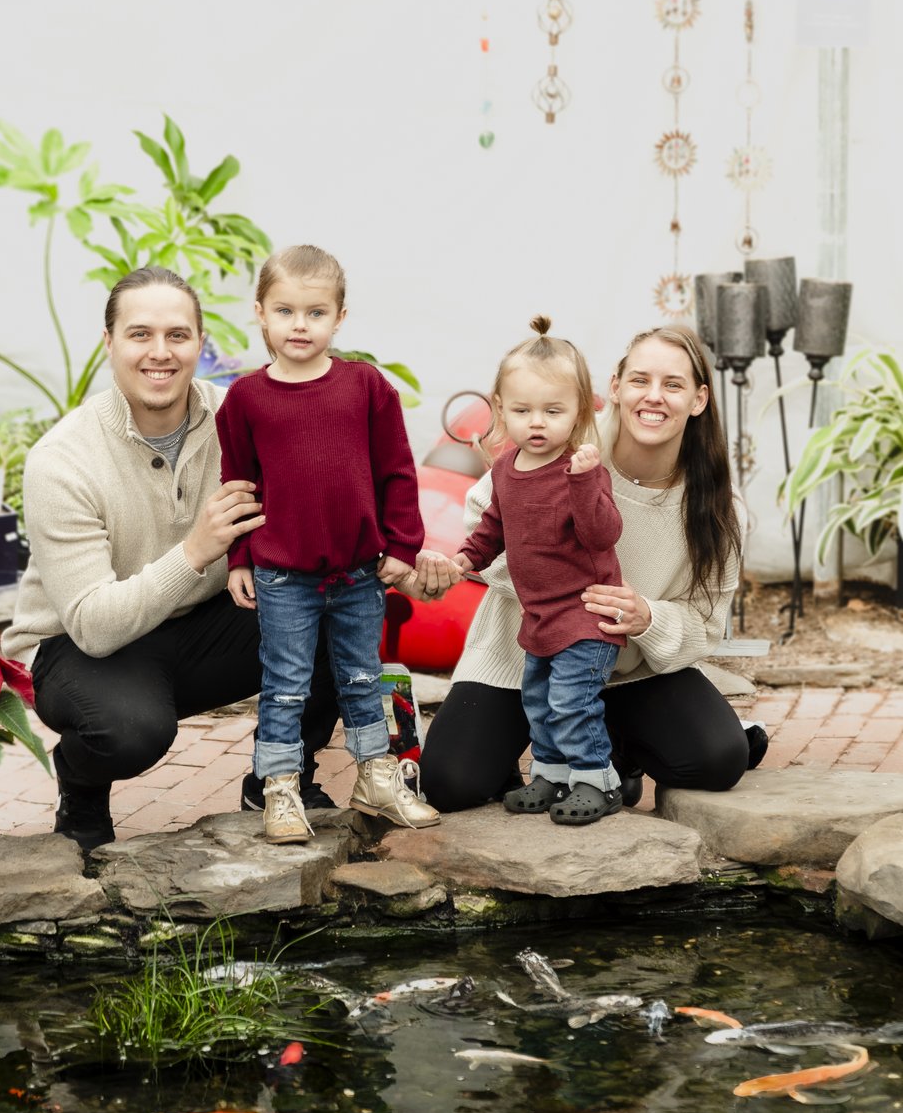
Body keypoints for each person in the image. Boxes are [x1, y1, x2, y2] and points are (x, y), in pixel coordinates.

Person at [2, 265, 343, 851]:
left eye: (178, 335)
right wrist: (195, 551)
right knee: (130, 732)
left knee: (342, 607)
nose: (159, 353)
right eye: (140, 334)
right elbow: (94, 624)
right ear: (109, 343)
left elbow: (315, 517)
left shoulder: (243, 417)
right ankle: (80, 782)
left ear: (199, 343)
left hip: (204, 625)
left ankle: (278, 778)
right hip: (79, 646)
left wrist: (398, 553)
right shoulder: (62, 460)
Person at [421, 323, 767, 812]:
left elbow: (705, 625)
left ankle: (611, 755)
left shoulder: (714, 507)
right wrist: (556, 589)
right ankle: (554, 759)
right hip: (524, 651)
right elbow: (486, 521)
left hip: (628, 666)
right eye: (640, 380)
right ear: (615, 388)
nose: (654, 397)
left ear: (699, 399)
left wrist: (648, 616)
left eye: (673, 384)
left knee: (717, 759)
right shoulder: (562, 441)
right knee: (451, 782)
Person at [216, 244, 440, 844]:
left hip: (359, 572)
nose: (299, 325)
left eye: (315, 313)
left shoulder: (365, 387)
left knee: (362, 678)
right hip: (283, 574)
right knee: (286, 683)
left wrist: (403, 545)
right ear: (260, 312)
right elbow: (238, 485)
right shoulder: (245, 400)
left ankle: (376, 776)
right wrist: (239, 558)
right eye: (285, 311)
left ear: (339, 317)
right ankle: (280, 788)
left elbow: (397, 471)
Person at [449, 317, 625, 826]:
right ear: (500, 408)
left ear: (579, 413)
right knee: (539, 702)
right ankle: (551, 774)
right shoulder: (505, 470)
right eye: (523, 411)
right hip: (540, 618)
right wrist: (464, 559)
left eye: (553, 410)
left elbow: (602, 535)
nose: (538, 423)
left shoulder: (583, 471)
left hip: (584, 618)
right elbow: (492, 530)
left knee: (572, 702)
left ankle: (598, 780)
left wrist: (586, 481)